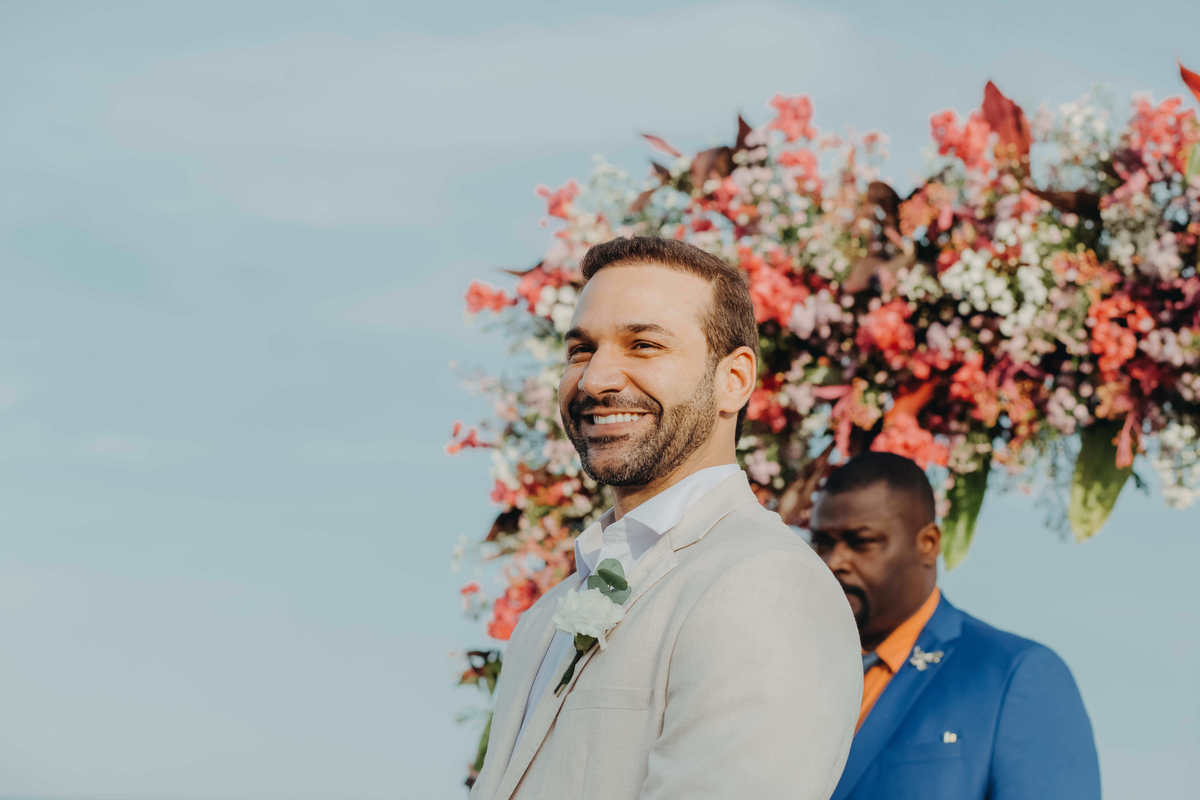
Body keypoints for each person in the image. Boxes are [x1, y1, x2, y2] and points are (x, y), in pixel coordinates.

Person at [470, 237, 861, 800]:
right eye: (581, 350)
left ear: (735, 380)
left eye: (644, 345)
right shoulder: (546, 617)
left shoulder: (763, 583)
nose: (595, 379)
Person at [808, 451, 1102, 800]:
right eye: (823, 543)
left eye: (862, 542)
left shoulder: (1014, 675)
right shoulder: (793, 672)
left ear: (928, 544)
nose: (834, 561)